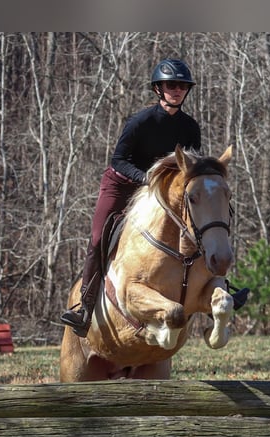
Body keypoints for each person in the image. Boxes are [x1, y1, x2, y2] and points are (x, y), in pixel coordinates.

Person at [61, 58, 247, 337]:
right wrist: (146, 179)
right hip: (123, 185)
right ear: (158, 89)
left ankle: (214, 296)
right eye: (171, 85)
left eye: (182, 86)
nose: (177, 90)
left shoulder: (189, 127)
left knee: (197, 230)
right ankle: (84, 307)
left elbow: (190, 168)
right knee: (99, 237)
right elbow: (118, 160)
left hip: (166, 192)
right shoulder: (140, 122)